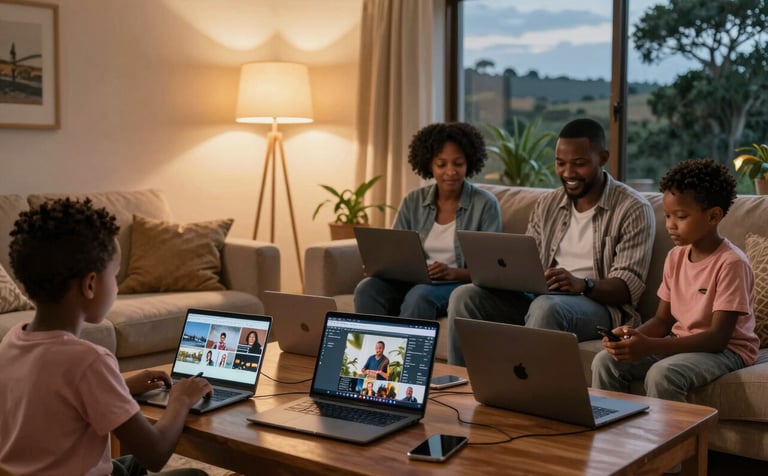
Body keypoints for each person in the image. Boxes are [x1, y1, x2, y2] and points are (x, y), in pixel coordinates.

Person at [0, 198, 212, 476]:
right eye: (114, 275)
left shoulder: (12, 340)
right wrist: (181, 400)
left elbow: (51, 396)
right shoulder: (89, 361)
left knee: (127, 466)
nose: (117, 287)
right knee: (195, 475)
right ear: (90, 284)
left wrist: (119, 387)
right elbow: (155, 453)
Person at [447, 118, 655, 365]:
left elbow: (627, 288)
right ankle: (458, 383)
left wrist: (582, 284)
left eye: (579, 164)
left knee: (546, 307)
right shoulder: (548, 204)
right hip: (541, 296)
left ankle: (528, 387)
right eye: (560, 163)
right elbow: (528, 261)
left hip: (599, 306)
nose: (568, 173)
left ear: (602, 158)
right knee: (464, 296)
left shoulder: (633, 209)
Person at [592, 159, 759, 402]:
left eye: (681, 217)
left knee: (663, 374)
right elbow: (663, 320)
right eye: (668, 216)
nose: (670, 225)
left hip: (728, 350)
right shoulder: (675, 256)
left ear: (713, 216)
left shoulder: (731, 263)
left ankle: (667, 430)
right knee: (606, 361)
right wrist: (629, 338)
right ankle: (612, 424)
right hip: (681, 341)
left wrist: (650, 346)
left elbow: (718, 338)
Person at [354, 122, 502, 320]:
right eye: (441, 164)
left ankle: (407, 342)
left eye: (458, 164)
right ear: (429, 165)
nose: (451, 171)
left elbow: (492, 270)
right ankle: (367, 341)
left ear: (469, 163)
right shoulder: (413, 201)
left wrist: (452, 273)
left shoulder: (485, 204)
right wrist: (381, 266)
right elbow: (395, 253)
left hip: (455, 285)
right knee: (367, 288)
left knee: (420, 295)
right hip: (412, 280)